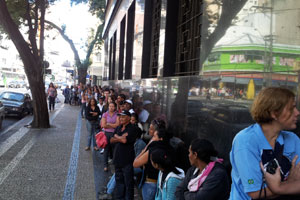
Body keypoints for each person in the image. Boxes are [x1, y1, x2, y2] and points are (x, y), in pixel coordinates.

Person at [230, 87, 300, 200]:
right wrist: (290, 183)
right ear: (274, 113)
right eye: (291, 109)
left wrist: (279, 188)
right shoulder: (246, 141)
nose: (297, 113)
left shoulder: (293, 139)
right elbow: (254, 193)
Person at [133, 119, 169, 200]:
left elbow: (135, 163)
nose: (149, 130)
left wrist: (145, 149)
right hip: (159, 183)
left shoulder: (152, 147)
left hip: (150, 183)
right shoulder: (168, 146)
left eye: (152, 129)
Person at [110, 110, 139, 200]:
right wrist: (121, 137)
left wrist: (117, 136)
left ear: (129, 118)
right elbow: (111, 140)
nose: (121, 118)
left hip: (127, 161)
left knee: (128, 184)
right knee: (119, 182)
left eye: (123, 116)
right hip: (117, 159)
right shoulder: (118, 127)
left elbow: (125, 141)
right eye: (120, 117)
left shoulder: (132, 128)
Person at [101, 102, 119, 171]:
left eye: (112, 106)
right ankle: (105, 165)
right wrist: (112, 125)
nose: (111, 107)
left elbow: (117, 125)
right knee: (106, 150)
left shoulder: (117, 114)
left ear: (115, 107)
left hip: (114, 134)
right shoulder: (105, 114)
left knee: (114, 150)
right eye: (110, 106)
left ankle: (115, 166)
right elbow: (103, 125)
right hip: (106, 134)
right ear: (108, 107)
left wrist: (108, 124)